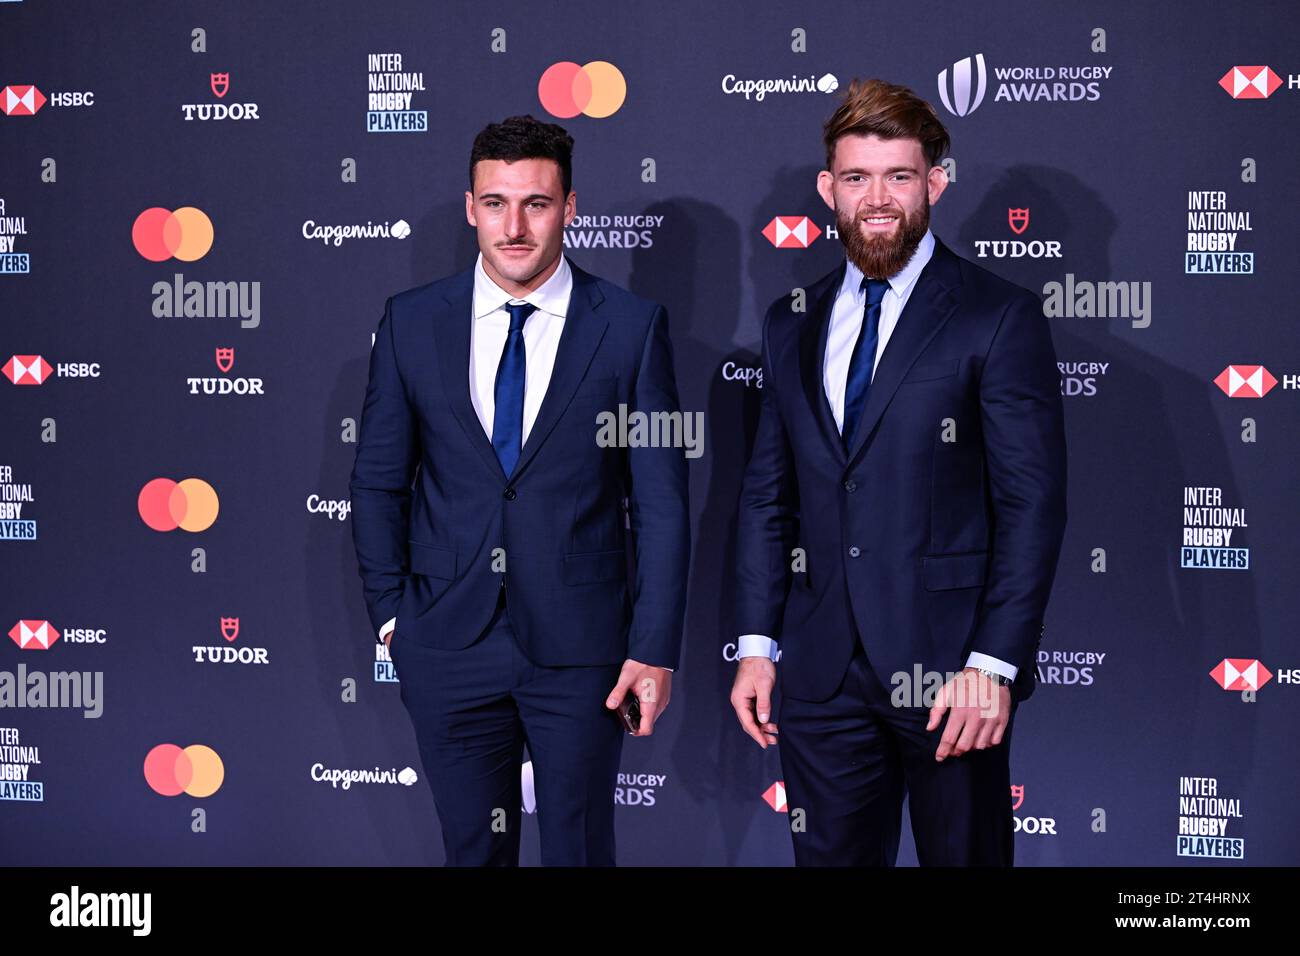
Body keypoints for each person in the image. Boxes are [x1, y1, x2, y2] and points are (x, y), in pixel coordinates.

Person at [730, 78, 1067, 866]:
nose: (876, 199)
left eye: (899, 177)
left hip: (952, 673)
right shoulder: (792, 321)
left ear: (935, 184)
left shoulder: (997, 314)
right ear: (828, 189)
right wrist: (755, 644)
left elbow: (1032, 504)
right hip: (819, 675)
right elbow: (767, 496)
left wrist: (994, 664)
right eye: (856, 178)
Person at [349, 114, 689, 866]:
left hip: (584, 649)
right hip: (446, 641)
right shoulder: (411, 324)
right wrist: (393, 623)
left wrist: (654, 648)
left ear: (570, 208)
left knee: (580, 850)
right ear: (469, 206)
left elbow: (661, 503)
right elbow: (376, 483)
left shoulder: (631, 328)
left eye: (535, 203)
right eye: (495, 202)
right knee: (474, 853)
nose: (513, 226)